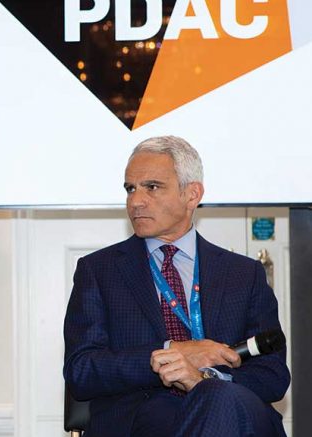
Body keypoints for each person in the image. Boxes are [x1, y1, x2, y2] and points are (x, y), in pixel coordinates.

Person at [63, 136, 290, 436]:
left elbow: (273, 375)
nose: (136, 201)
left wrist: (205, 378)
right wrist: (169, 353)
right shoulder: (100, 271)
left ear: (192, 194)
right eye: (130, 189)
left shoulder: (243, 274)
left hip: (234, 409)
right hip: (143, 416)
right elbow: (81, 371)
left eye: (152, 187)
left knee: (218, 399)